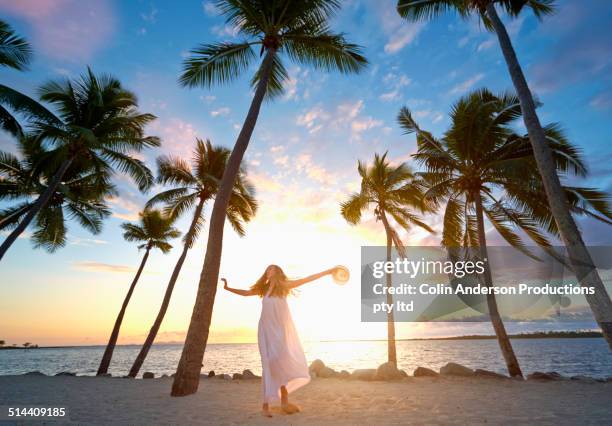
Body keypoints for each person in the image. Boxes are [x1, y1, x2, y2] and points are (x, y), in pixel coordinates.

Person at [222, 265, 335, 417]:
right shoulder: (263, 289)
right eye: (267, 270)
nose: (269, 272)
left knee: (280, 363)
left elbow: (306, 279)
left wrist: (327, 272)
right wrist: (228, 288)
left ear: (277, 272)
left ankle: (284, 402)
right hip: (266, 331)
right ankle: (265, 406)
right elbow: (246, 293)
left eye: (271, 269)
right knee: (268, 365)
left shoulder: (284, 287)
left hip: (280, 332)